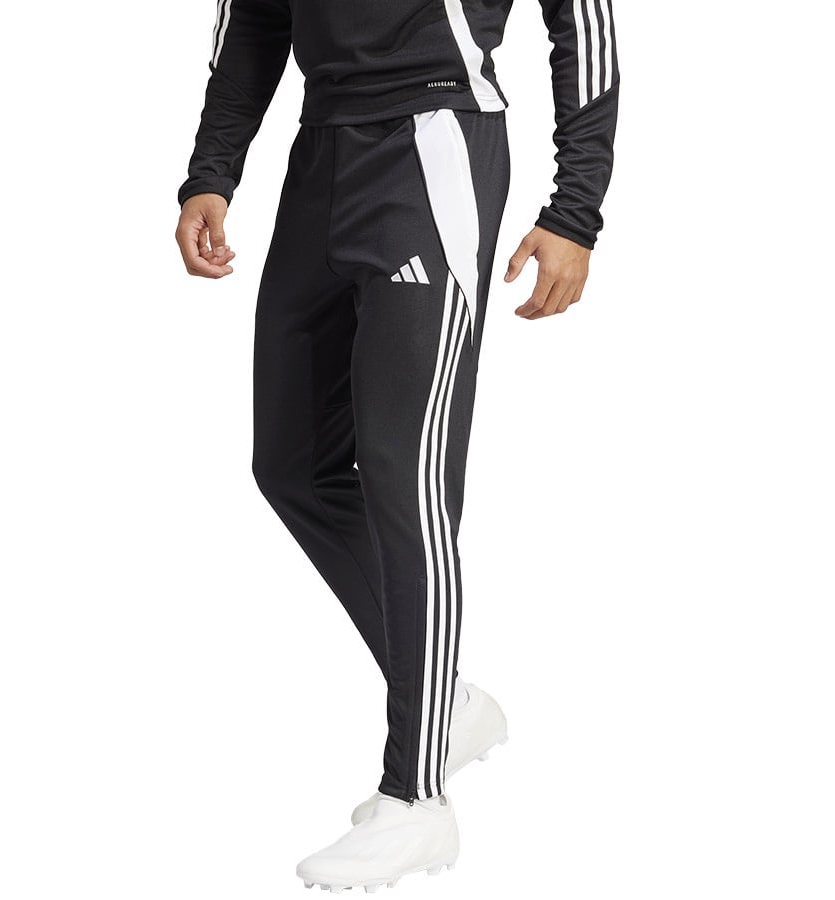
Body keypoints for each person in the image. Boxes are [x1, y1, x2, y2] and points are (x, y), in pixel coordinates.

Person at [174, 0, 619, 890]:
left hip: (435, 144)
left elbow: (585, 20)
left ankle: (418, 802)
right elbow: (254, 20)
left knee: (407, 478)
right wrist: (211, 171)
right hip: (321, 149)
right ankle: (447, 701)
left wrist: (575, 209)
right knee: (293, 465)